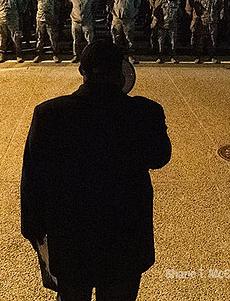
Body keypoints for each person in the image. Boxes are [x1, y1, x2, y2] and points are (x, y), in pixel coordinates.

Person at [21, 40, 171, 301]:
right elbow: (160, 157)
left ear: (83, 71)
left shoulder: (49, 114)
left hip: (70, 241)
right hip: (124, 241)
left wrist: (34, 232)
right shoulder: (144, 112)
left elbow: (32, 180)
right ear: (121, 73)